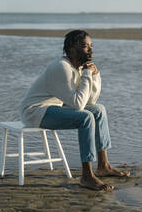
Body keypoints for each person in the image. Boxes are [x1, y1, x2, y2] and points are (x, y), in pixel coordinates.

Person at [20, 30, 130, 191]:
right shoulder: (61, 67)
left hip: (55, 107)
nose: (90, 50)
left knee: (98, 110)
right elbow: (79, 105)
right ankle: (86, 176)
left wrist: (95, 75)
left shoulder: (78, 67)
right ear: (72, 49)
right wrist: (86, 74)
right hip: (35, 111)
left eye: (91, 46)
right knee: (85, 117)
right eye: (85, 46)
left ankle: (103, 165)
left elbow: (91, 100)